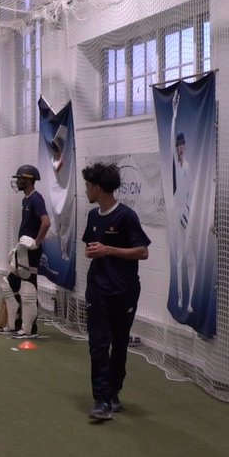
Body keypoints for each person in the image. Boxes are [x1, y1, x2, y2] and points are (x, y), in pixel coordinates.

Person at [81, 162, 150, 421]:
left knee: (119, 344)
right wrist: (94, 252)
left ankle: (113, 392)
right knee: (98, 344)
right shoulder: (92, 216)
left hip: (124, 291)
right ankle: (101, 399)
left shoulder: (126, 216)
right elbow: (91, 247)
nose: (86, 190)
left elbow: (142, 251)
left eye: (88, 186)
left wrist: (109, 250)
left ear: (98, 188)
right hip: (97, 290)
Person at [0, 164, 50, 339]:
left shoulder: (36, 199)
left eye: (19, 178)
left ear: (28, 180)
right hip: (22, 249)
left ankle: (30, 329)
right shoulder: (26, 199)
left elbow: (46, 223)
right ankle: (15, 324)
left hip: (31, 251)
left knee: (28, 288)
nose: (17, 181)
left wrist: (36, 243)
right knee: (9, 284)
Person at [172, 129, 197, 314]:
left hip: (186, 214)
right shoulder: (176, 166)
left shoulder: (187, 167)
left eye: (182, 145)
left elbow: (190, 193)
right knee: (180, 256)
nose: (181, 148)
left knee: (190, 256)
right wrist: (173, 115)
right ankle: (181, 298)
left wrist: (188, 213)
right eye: (178, 145)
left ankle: (190, 299)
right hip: (177, 213)